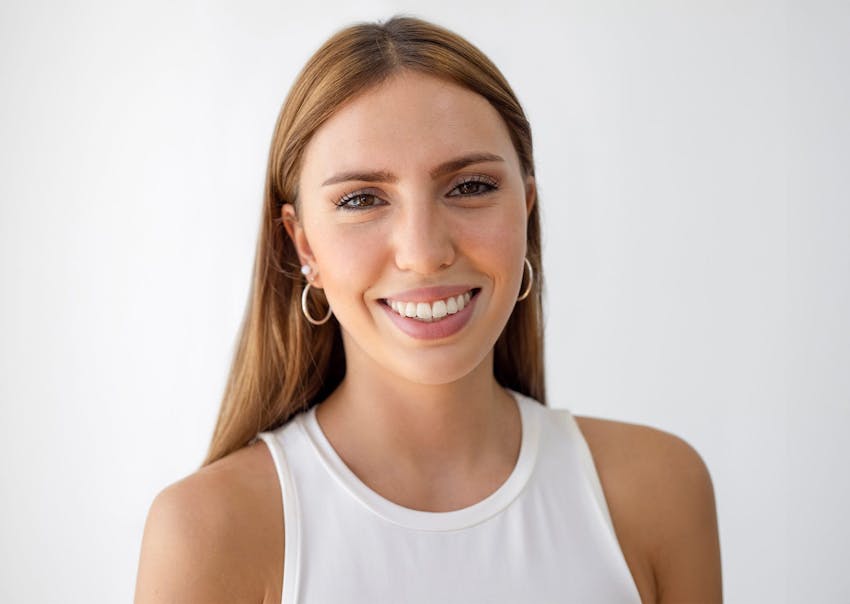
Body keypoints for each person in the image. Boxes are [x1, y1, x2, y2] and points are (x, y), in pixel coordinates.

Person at [134, 15, 722, 604]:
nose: (423, 253)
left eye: (470, 187)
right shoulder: (208, 533)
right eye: (361, 199)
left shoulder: (658, 492)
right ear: (303, 245)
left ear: (526, 210)